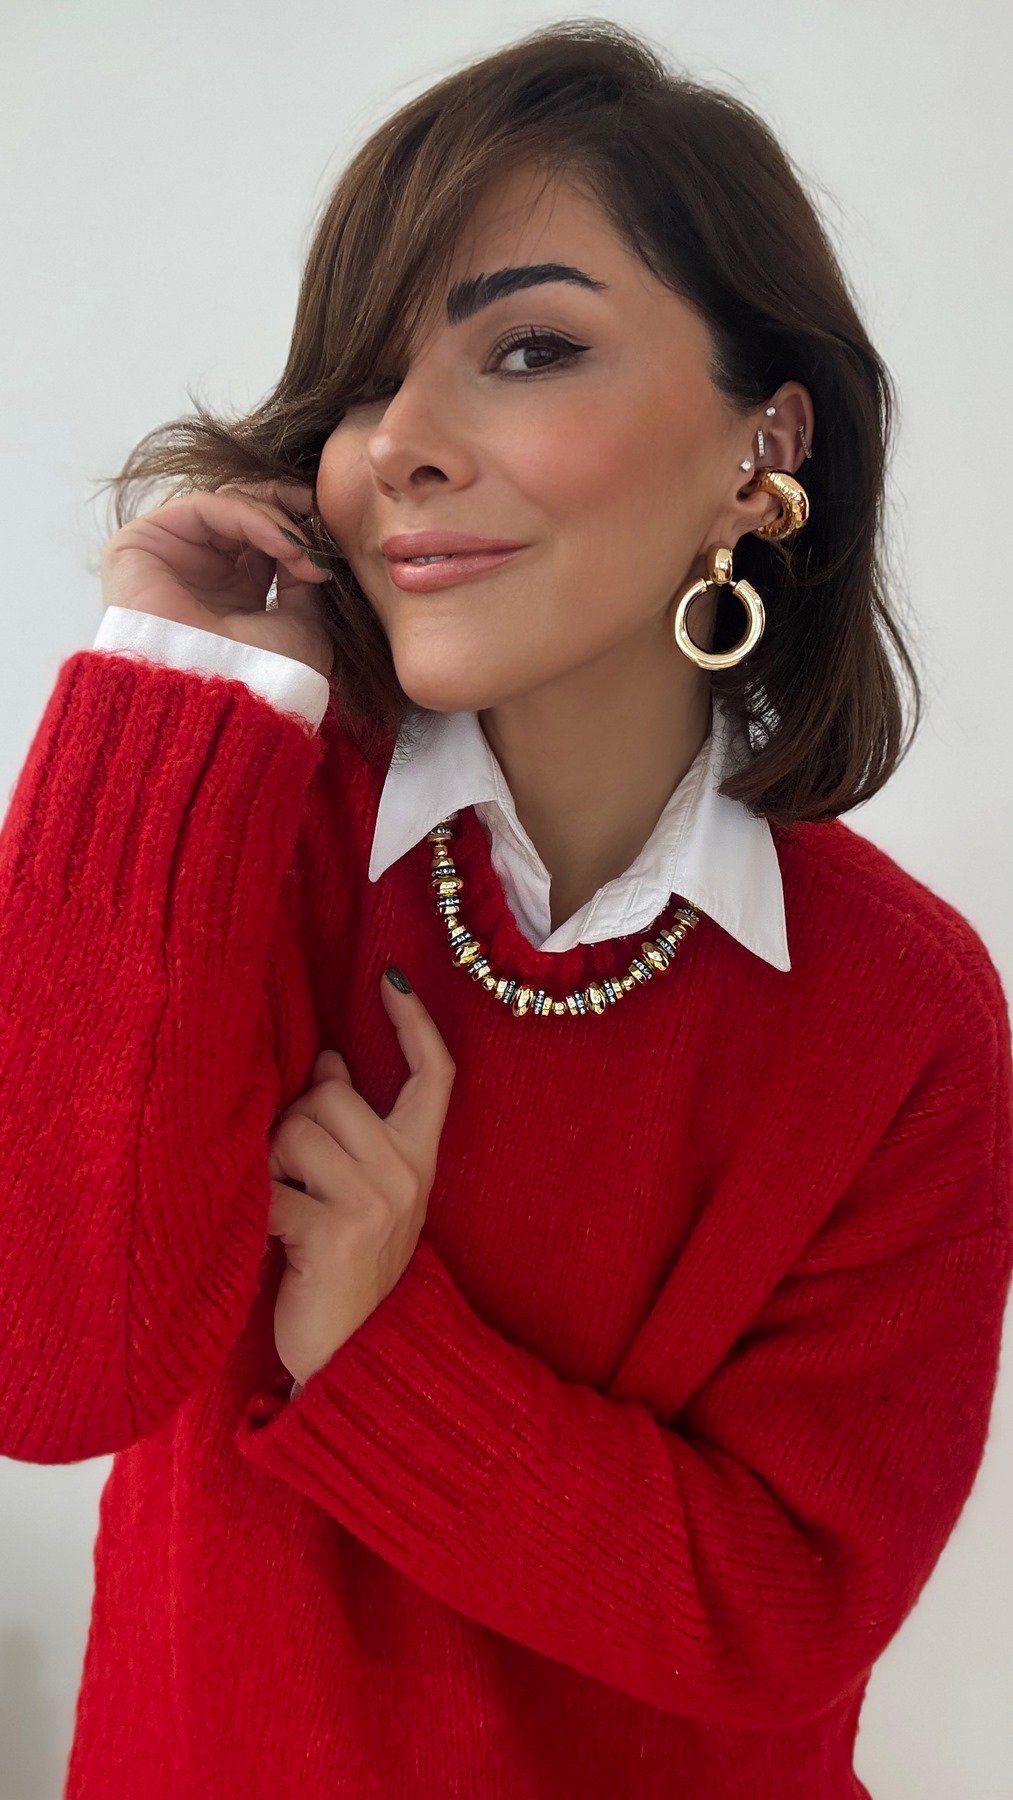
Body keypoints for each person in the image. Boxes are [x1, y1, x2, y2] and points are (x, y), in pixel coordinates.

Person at [1, 20, 1009, 1800]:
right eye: (366, 384)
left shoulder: (899, 1004)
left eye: (530, 348)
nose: (401, 443)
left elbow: (782, 1617)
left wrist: (375, 1353)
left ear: (762, 443)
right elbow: (45, 1370)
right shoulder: (241, 837)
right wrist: (159, 696)